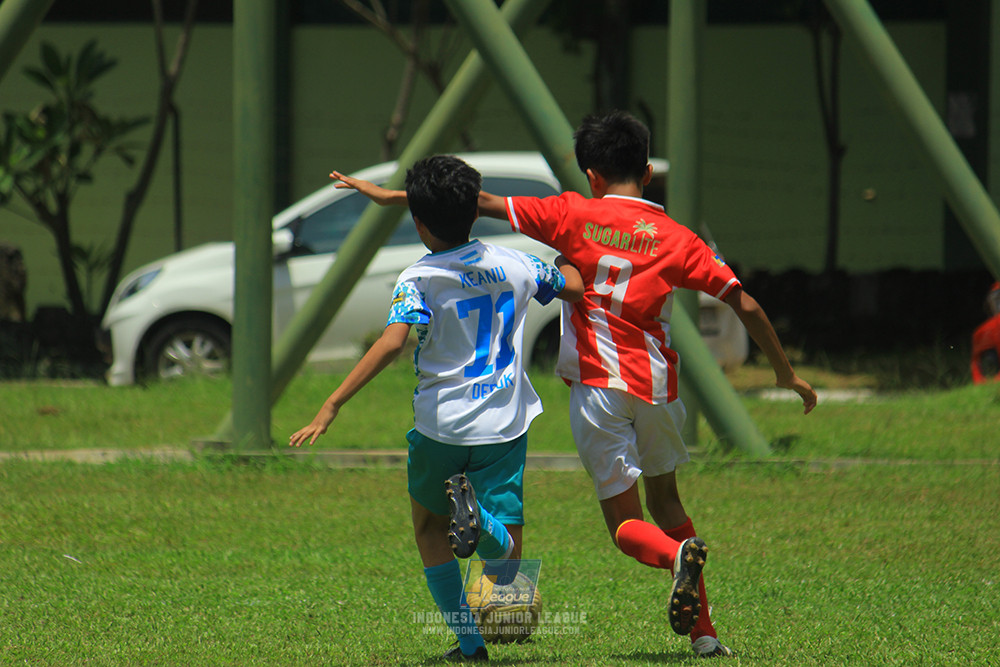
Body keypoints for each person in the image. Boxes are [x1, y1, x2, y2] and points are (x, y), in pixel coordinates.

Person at [332, 111, 818, 659]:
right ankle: (705, 633)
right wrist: (785, 373)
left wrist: (389, 195)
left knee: (626, 525)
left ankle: (672, 558)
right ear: (649, 172)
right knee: (670, 505)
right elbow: (744, 303)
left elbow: (472, 204)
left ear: (591, 175)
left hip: (598, 390)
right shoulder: (679, 238)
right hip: (658, 388)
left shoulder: (571, 214)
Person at [290, 154, 584, 663]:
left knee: (429, 530)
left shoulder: (419, 275)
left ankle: (470, 646)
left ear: (420, 224)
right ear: (474, 210)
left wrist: (331, 405)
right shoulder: (517, 262)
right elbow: (574, 287)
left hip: (440, 426)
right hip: (504, 425)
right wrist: (566, 258)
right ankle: (486, 528)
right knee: (505, 567)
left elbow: (389, 344)